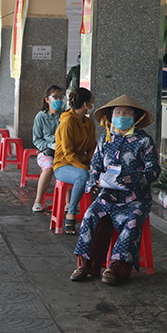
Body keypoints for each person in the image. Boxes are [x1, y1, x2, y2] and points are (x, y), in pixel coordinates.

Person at [70, 95, 160, 285]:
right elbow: (94, 166)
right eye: (117, 112)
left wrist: (129, 178)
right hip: (108, 195)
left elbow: (153, 172)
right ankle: (86, 265)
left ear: (135, 117)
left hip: (136, 198)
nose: (122, 116)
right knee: (90, 215)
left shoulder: (144, 141)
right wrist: (94, 180)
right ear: (111, 116)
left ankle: (116, 269)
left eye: (127, 112)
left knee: (132, 221)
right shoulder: (105, 140)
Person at [53, 87, 97, 235]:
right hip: (62, 166)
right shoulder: (67, 122)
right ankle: (71, 213)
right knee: (82, 175)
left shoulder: (89, 123)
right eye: (91, 102)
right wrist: (85, 169)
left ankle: (96, 217)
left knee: (100, 176)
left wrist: (95, 167)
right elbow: (68, 153)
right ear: (86, 104)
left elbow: (92, 147)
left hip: (81, 164)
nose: (92, 104)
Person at [31, 85, 67, 212]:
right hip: (46, 152)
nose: (58, 100)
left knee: (69, 168)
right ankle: (38, 201)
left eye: (60, 97)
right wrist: (48, 145)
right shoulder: (40, 117)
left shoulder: (65, 116)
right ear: (47, 99)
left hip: (63, 152)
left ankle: (67, 203)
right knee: (49, 167)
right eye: (55, 97)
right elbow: (36, 139)